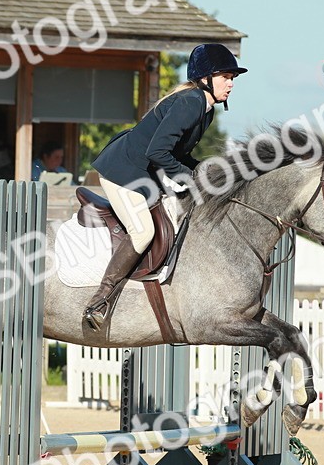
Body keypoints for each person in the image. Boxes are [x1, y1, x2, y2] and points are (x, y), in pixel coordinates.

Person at [82, 43, 247, 331]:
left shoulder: (204, 108)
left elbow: (178, 154)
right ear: (206, 78)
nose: (231, 84)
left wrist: (203, 171)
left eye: (233, 78)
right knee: (143, 232)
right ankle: (100, 301)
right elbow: (157, 152)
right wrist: (189, 177)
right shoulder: (190, 102)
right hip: (122, 172)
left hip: (142, 173)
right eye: (226, 77)